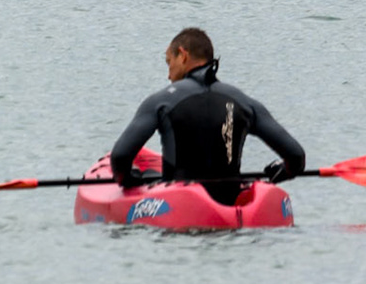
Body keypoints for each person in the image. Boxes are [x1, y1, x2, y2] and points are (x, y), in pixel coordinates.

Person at [112, 28, 306, 206]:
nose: (168, 75)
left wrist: (128, 180)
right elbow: (296, 157)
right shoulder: (245, 102)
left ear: (183, 55)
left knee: (149, 175)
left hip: (179, 205)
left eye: (169, 62)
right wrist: (283, 171)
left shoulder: (161, 101)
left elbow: (120, 157)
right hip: (228, 201)